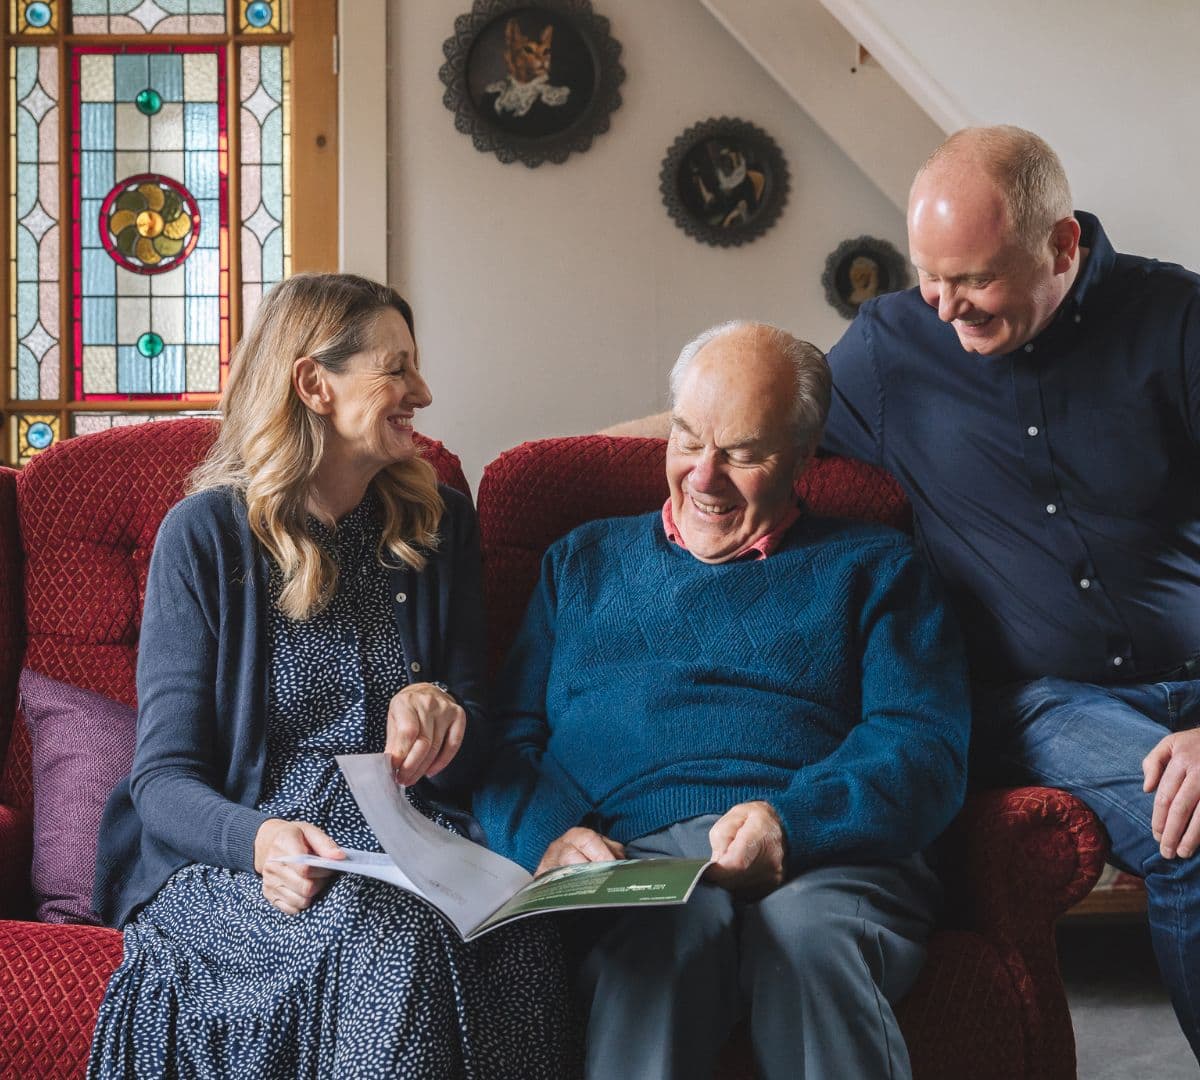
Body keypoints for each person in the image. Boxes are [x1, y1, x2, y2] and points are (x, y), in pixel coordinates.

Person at [602, 125, 1200, 1063]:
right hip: (1042, 698)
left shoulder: (1179, 323)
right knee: (1193, 833)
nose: (943, 304)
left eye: (973, 279)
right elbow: (750, 416)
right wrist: (551, 456)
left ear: (1062, 247)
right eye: (928, 275)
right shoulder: (894, 347)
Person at [88, 273, 574, 1078]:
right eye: (396, 369)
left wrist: (446, 720)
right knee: (393, 938)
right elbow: (163, 781)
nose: (423, 392)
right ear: (315, 384)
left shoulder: (439, 523)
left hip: (414, 844)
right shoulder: (204, 536)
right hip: (250, 858)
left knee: (523, 937)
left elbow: (476, 749)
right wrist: (261, 842)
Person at [477, 322, 971, 1079]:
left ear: (803, 456)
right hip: (630, 854)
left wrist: (795, 823)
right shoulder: (580, 562)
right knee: (666, 933)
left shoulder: (878, 569)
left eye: (742, 454)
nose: (703, 476)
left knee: (807, 937)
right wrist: (548, 835)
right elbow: (507, 738)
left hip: (828, 851)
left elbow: (922, 745)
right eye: (687, 439)